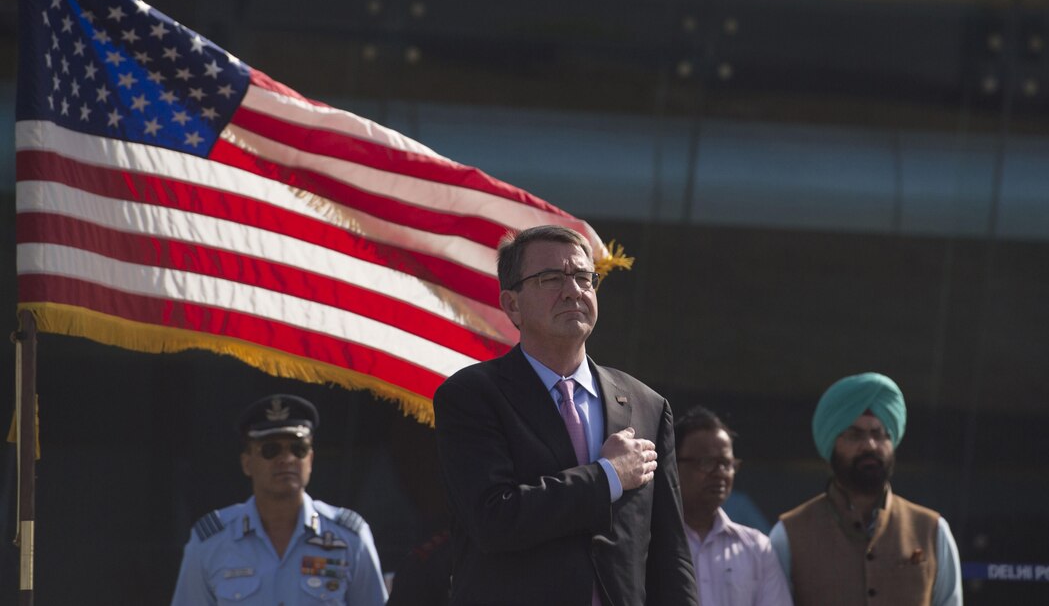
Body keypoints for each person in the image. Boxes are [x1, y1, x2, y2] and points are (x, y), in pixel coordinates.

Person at [433, 225, 699, 606]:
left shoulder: (646, 405)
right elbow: (494, 521)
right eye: (551, 278)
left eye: (583, 278)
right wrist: (607, 476)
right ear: (512, 305)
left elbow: (669, 553)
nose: (573, 290)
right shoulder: (472, 397)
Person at [170, 394, 388, 605]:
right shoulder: (211, 542)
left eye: (298, 448)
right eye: (270, 450)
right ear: (247, 463)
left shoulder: (350, 538)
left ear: (310, 460)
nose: (287, 459)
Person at [768, 373, 963, 606]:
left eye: (879, 434)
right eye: (854, 435)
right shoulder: (788, 535)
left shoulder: (933, 531)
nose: (869, 445)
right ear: (832, 444)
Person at [676, 406, 792, 606]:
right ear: (672, 465)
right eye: (707, 462)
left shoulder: (757, 548)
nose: (720, 473)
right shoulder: (649, 542)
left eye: (727, 463)